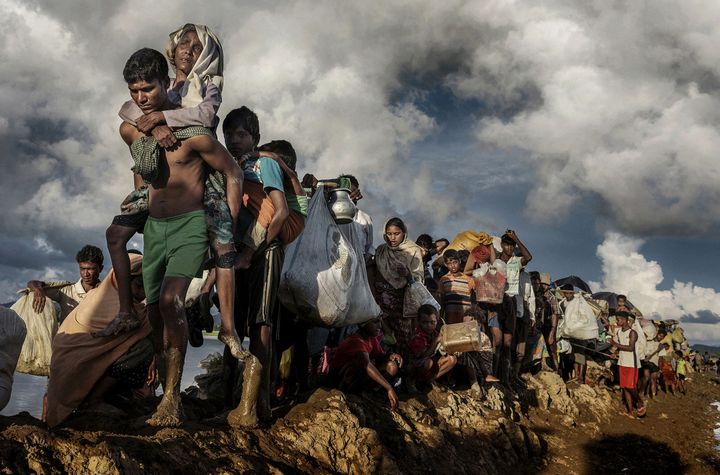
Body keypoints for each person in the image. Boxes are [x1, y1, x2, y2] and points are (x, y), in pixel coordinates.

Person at [103, 25, 245, 361]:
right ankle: (126, 311)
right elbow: (129, 110)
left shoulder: (208, 83)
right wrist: (157, 122)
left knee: (224, 244)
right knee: (115, 234)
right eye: (184, 43)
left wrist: (162, 118)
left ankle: (228, 327)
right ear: (173, 49)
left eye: (197, 47)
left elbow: (205, 115)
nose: (189, 51)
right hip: (158, 173)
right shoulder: (161, 82)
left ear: (207, 54)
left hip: (200, 171)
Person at [119, 48, 242, 426]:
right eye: (135, 90)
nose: (141, 98)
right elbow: (128, 119)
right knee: (155, 313)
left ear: (165, 85)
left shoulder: (196, 138)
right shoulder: (131, 128)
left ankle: (172, 400)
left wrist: (228, 222)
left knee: (173, 299)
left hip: (190, 225)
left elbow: (234, 172)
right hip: (155, 229)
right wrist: (152, 125)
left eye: (148, 90)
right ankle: (160, 393)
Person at [45, 253, 155, 427]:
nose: (144, 292)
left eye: (149, 286)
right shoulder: (116, 304)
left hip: (75, 367)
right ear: (123, 282)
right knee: (144, 348)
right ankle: (93, 401)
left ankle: (107, 397)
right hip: (75, 367)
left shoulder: (100, 294)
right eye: (139, 285)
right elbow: (155, 328)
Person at [369, 218, 425, 356]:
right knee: (380, 339)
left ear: (404, 233)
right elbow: (374, 272)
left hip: (402, 304)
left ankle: (403, 373)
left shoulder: (413, 251)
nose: (392, 237)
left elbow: (418, 279)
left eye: (396, 233)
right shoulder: (381, 250)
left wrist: (407, 274)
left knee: (403, 339)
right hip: (380, 302)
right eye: (389, 234)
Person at [329, 318, 402, 411]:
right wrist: (389, 388)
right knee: (357, 365)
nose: (379, 326)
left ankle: (368, 393)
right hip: (339, 380)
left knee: (391, 366)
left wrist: (391, 356)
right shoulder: (356, 340)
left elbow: (380, 356)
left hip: (357, 378)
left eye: (379, 322)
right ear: (363, 324)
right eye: (375, 322)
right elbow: (367, 365)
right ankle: (352, 395)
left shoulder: (371, 338)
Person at [26, 245, 104, 323]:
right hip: (68, 334)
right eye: (82, 269)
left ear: (100, 269)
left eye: (91, 269)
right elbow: (33, 283)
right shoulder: (66, 290)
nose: (86, 274)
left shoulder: (107, 292)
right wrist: (38, 290)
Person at [406, 305, 457, 392]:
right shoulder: (417, 335)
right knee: (428, 362)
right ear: (419, 321)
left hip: (431, 366)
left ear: (437, 321)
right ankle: (411, 381)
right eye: (425, 322)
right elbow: (424, 355)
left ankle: (430, 380)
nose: (429, 325)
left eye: (432, 322)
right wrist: (436, 341)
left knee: (452, 359)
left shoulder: (435, 333)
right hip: (415, 367)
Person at [609, 311, 645, 418]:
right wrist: (614, 353)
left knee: (631, 387)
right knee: (624, 387)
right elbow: (620, 347)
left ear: (625, 320)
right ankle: (630, 412)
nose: (617, 321)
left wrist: (615, 344)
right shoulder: (619, 332)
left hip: (632, 364)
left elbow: (630, 348)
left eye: (618, 319)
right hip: (622, 362)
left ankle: (640, 402)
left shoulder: (632, 332)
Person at [438, 249, 475, 324]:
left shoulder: (469, 279)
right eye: (449, 263)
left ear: (459, 261)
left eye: (455, 262)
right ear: (445, 264)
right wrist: (440, 317)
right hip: (450, 318)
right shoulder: (444, 280)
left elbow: (474, 299)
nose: (453, 265)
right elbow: (441, 300)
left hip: (466, 318)